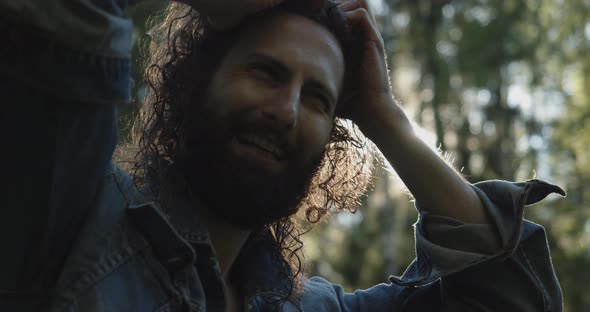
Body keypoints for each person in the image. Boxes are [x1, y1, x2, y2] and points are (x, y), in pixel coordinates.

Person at [0, 0, 565, 311]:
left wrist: (387, 120)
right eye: (265, 72)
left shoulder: (310, 308)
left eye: (317, 98)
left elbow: (506, 298)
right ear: (196, 84)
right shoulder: (69, 215)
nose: (287, 110)